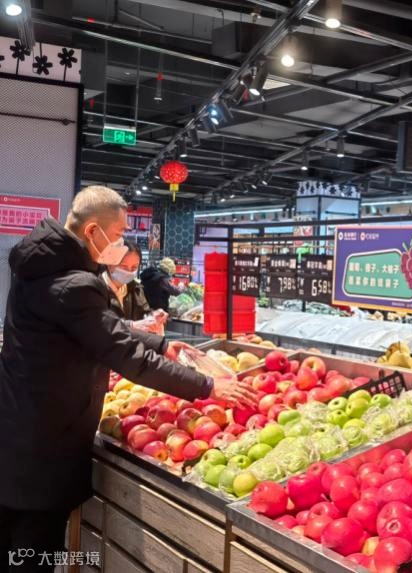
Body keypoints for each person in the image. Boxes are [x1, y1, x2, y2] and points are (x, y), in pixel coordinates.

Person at [0, 186, 257, 571]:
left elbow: (99, 328)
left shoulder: (40, 266)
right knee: (33, 552)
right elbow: (126, 355)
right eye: (119, 234)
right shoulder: (73, 283)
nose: (121, 244)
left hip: (18, 428)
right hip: (44, 445)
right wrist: (206, 386)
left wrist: (162, 344)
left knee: (11, 542)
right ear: (92, 231)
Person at [103, 239, 152, 322]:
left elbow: (145, 312)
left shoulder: (136, 288)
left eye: (134, 267)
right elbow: (103, 323)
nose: (129, 272)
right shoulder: (97, 288)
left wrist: (153, 318)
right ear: (109, 264)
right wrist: (132, 325)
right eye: (124, 266)